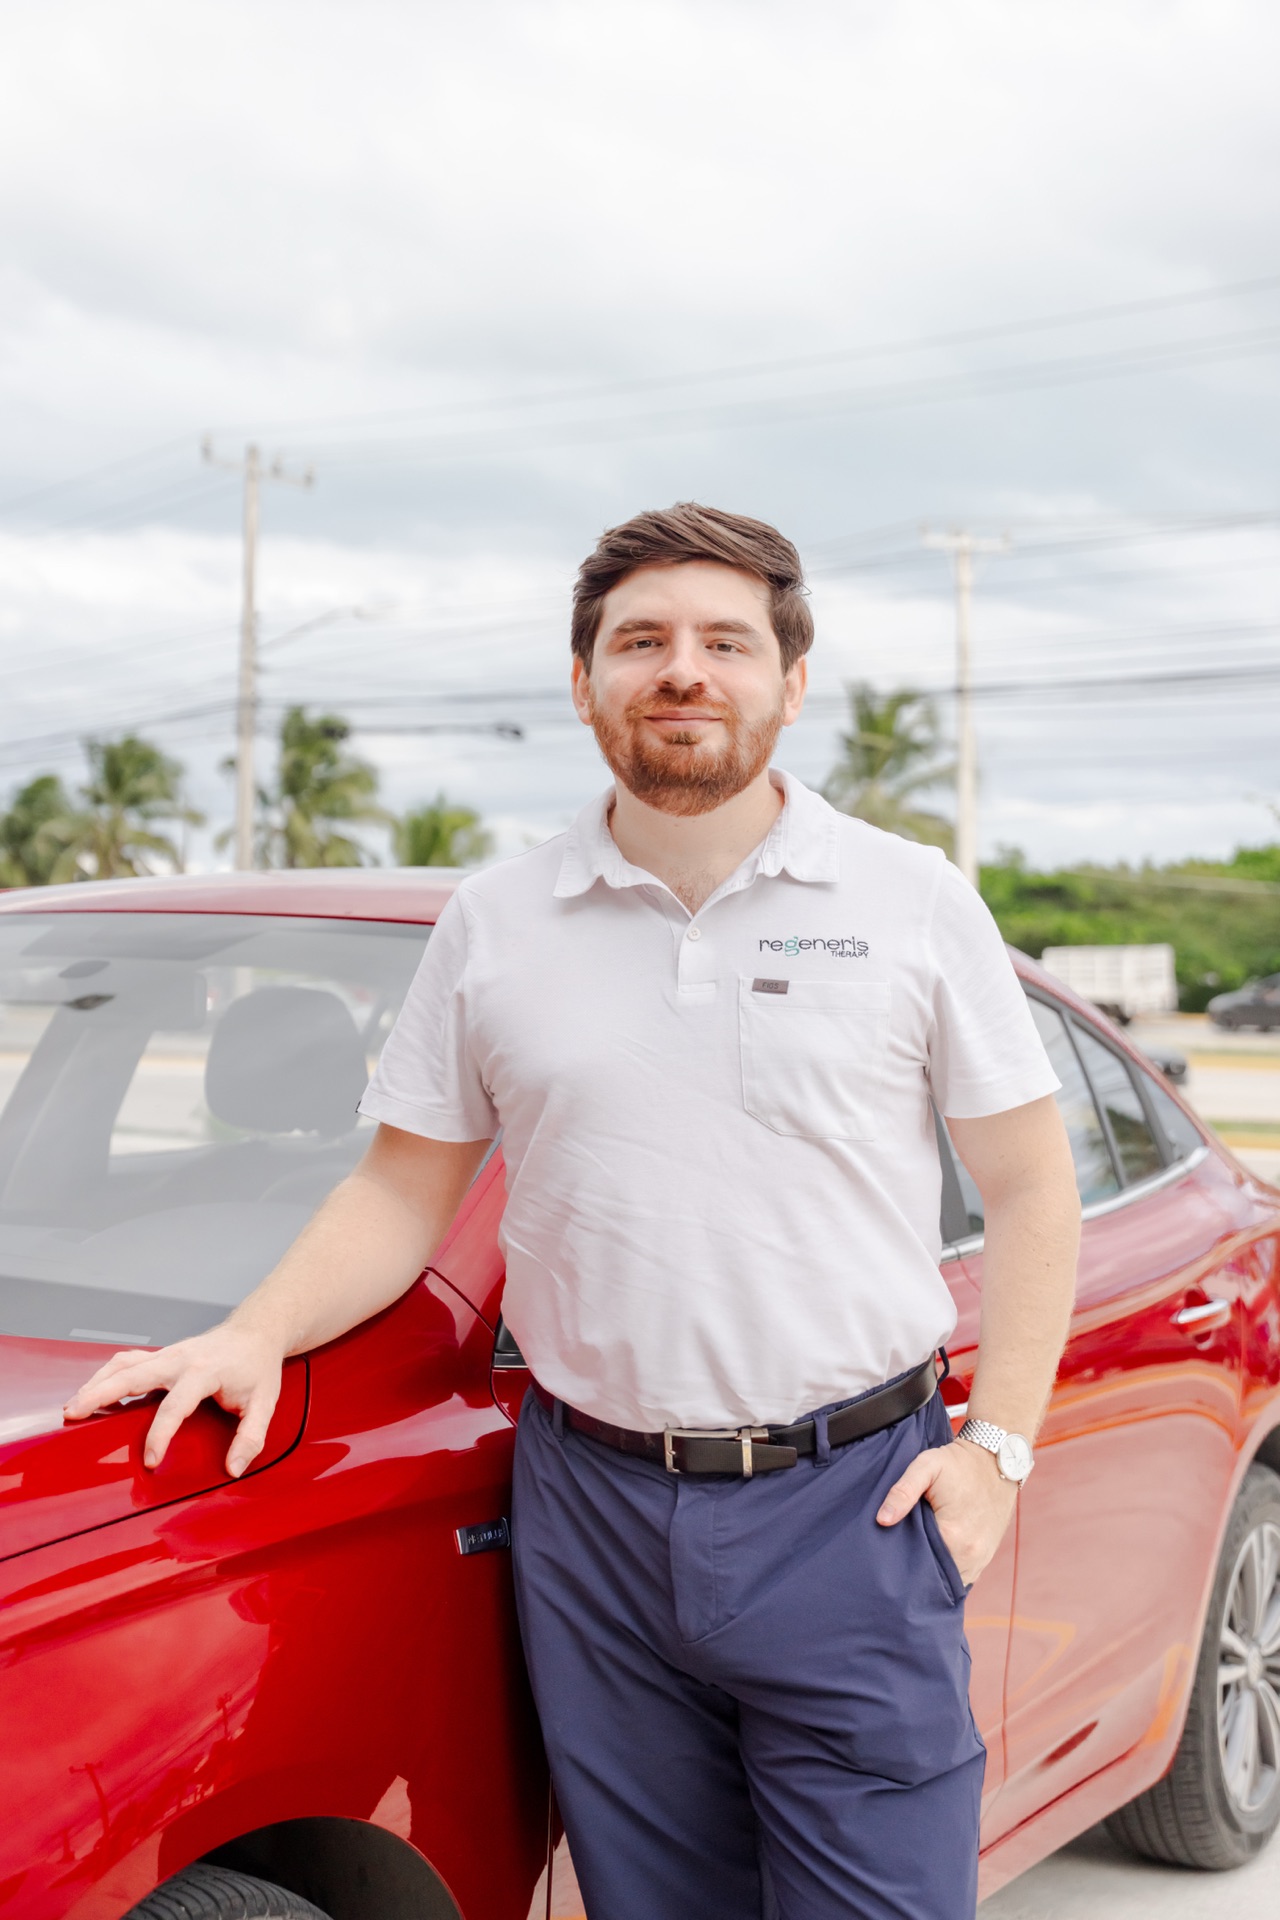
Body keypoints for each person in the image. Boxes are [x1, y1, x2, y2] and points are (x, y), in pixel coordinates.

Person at [67, 503, 1080, 1920]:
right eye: (641, 641)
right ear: (584, 681)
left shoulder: (910, 901)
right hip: (588, 1511)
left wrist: (1001, 1453)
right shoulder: (498, 921)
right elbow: (402, 1185)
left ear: (791, 681)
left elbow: (1032, 1186)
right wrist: (251, 1334)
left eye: (726, 642)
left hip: (850, 1503)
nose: (684, 670)